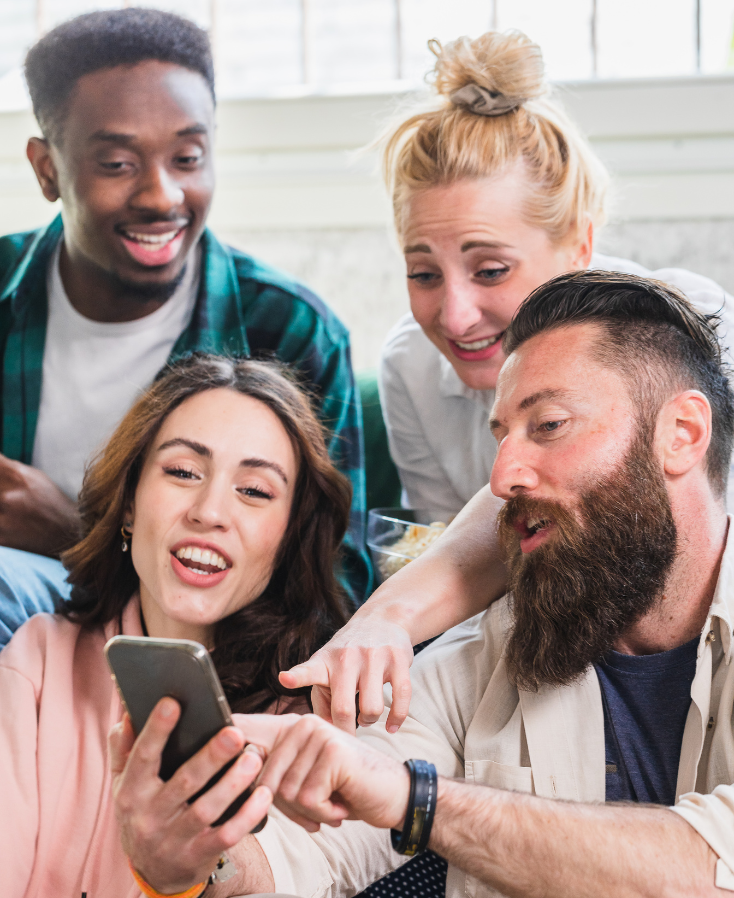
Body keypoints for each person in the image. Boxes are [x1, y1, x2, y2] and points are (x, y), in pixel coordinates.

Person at [116, 271, 734, 898]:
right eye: (502, 436)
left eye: (548, 425)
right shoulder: (486, 657)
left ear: (680, 434)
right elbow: (305, 856)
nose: (500, 478)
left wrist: (422, 804)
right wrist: (193, 863)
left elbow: (714, 869)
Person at [0, 7, 369, 607]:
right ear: (48, 170)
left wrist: (74, 537)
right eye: (118, 164)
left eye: (188, 159)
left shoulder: (293, 331)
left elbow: (335, 592)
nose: (161, 195)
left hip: (207, 644)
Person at [0, 353, 352, 898]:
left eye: (255, 491)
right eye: (183, 472)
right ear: (129, 505)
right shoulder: (36, 660)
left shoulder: (318, 719)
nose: (209, 511)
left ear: (288, 540)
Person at [376, 29, 734, 518]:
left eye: (491, 271)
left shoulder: (693, 326)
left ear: (579, 247)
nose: (456, 319)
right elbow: (437, 547)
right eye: (423, 274)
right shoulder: (410, 368)